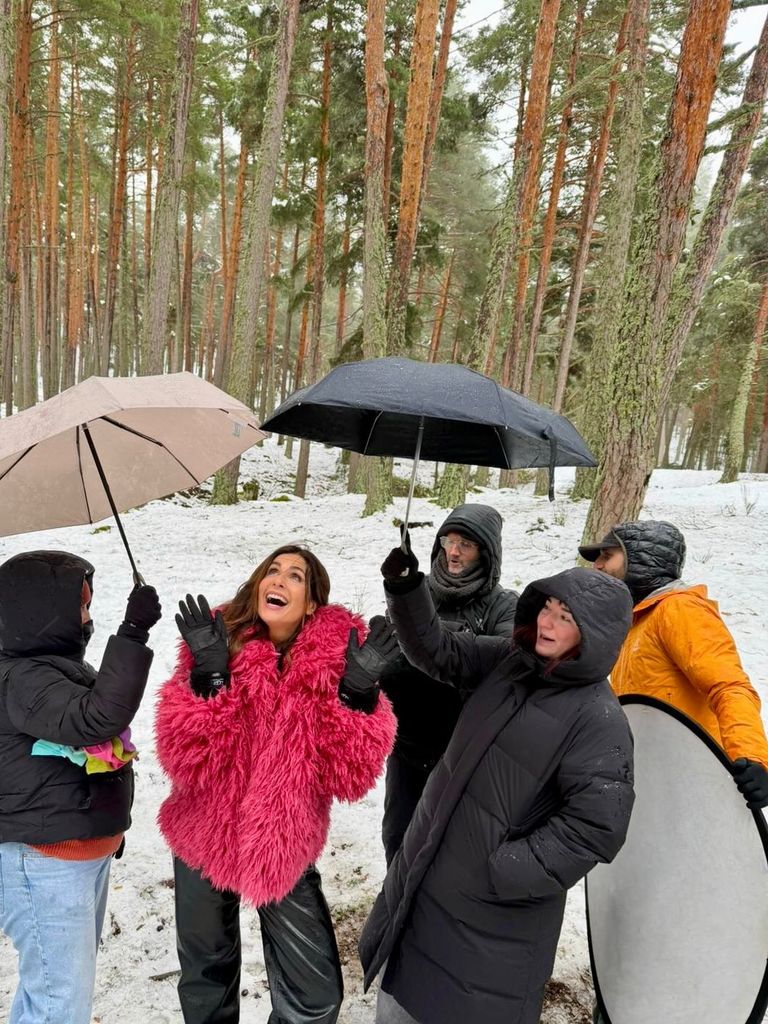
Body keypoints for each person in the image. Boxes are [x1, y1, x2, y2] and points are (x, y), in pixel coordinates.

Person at [358, 536, 636, 1024]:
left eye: (567, 618)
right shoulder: (511, 662)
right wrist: (406, 589)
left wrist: (502, 870)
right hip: (426, 878)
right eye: (548, 607)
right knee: (401, 996)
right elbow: (438, 650)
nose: (548, 622)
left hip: (492, 919)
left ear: (598, 634)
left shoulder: (599, 720)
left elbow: (595, 826)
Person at [155, 543, 397, 1024]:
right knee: (206, 977)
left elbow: (349, 776)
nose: (279, 580)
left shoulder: (335, 666)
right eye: (273, 571)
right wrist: (209, 679)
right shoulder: (216, 643)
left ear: (311, 603)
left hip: (284, 844)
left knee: (316, 994)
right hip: (203, 833)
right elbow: (183, 759)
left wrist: (355, 694)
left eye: (296, 576)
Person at [0, 549, 162, 1024]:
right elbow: (97, 717)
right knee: (59, 1008)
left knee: (51, 997)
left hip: (74, 857)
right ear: (42, 611)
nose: (88, 619)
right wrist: (132, 634)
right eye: (81, 607)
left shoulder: (49, 668)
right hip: (45, 863)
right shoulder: (23, 678)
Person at [579, 520, 768, 808]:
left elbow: (729, 685)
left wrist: (753, 757)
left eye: (607, 555)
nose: (598, 566)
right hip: (655, 773)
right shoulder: (636, 620)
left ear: (640, 559)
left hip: (696, 771)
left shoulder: (680, 609)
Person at [380, 503, 517, 865]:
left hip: (462, 754)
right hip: (407, 748)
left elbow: (501, 664)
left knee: (452, 851)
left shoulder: (504, 606)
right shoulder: (417, 591)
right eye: (448, 540)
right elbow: (389, 651)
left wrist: (436, 638)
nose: (453, 552)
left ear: (487, 553)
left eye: (466, 545)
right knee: (399, 840)